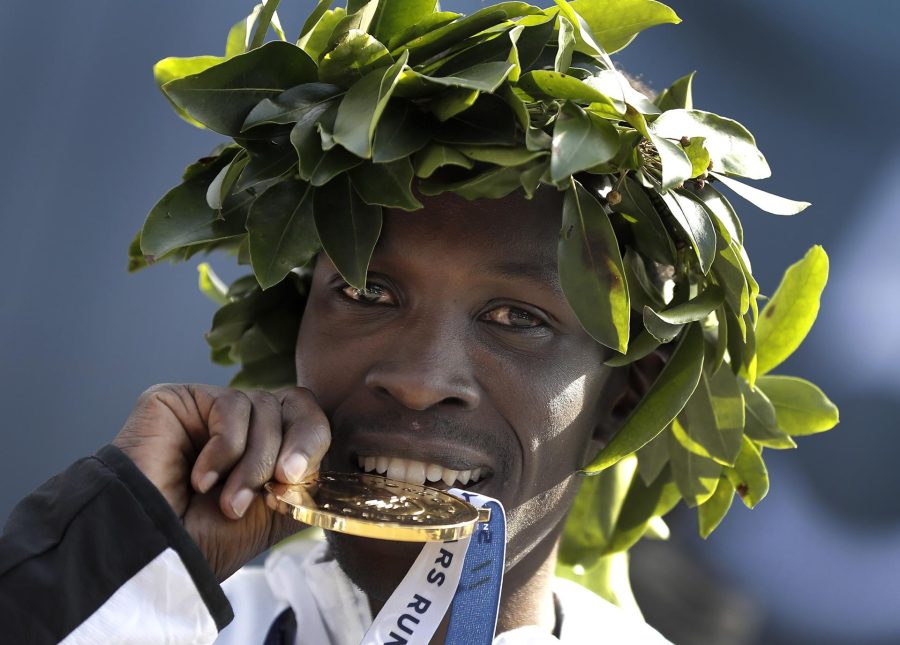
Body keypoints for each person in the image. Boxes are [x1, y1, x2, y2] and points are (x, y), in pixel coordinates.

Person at [0, 1, 836, 643]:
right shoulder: (149, 615)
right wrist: (118, 547)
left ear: (624, 397)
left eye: (514, 316)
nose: (419, 379)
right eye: (368, 291)